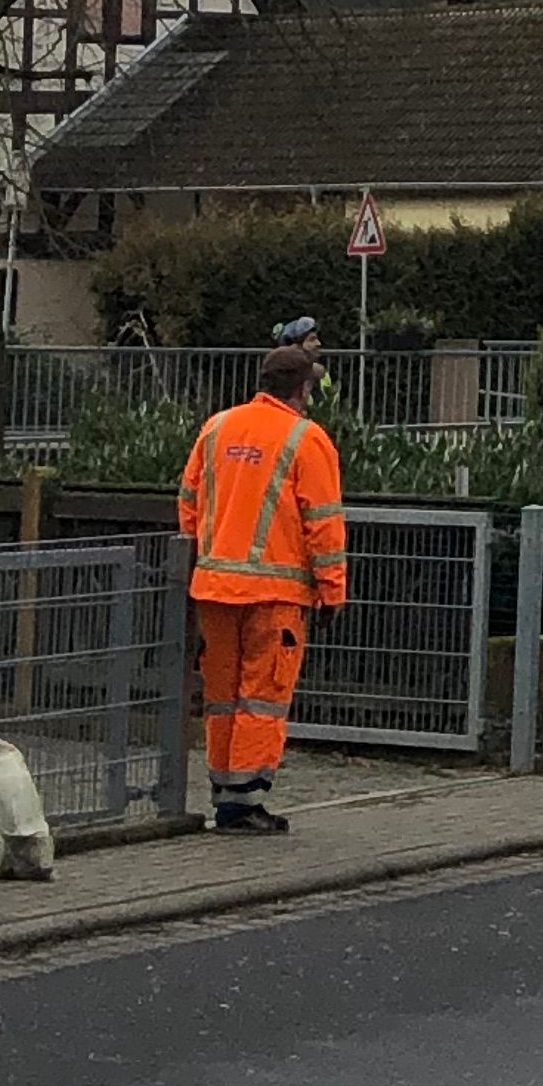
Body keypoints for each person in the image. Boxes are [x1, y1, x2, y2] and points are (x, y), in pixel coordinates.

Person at [176, 343, 348, 834]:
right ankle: (244, 801)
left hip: (213, 588)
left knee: (223, 697)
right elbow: (324, 525)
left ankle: (225, 792)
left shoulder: (217, 428)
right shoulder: (307, 440)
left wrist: (204, 555)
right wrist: (332, 591)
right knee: (262, 697)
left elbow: (188, 503)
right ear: (303, 388)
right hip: (275, 596)